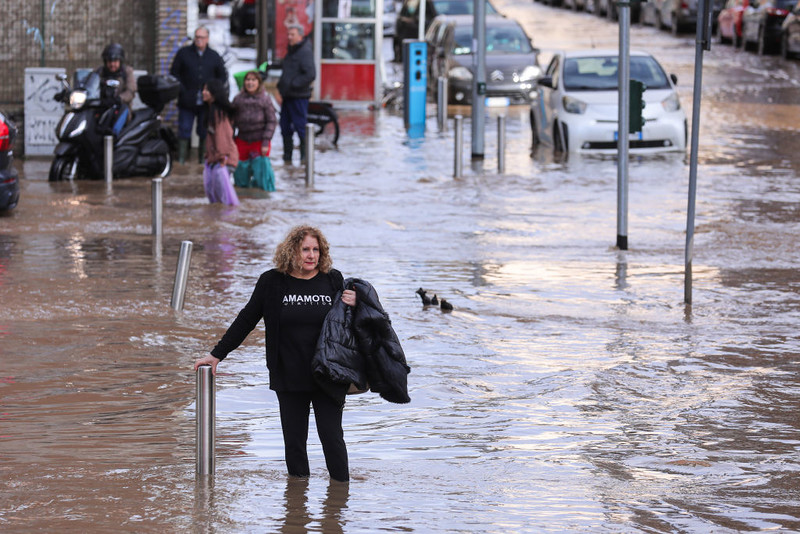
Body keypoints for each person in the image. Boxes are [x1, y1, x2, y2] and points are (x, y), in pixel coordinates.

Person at [193, 225, 358, 482]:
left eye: (316, 250)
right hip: (289, 374)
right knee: (294, 444)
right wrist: (217, 354)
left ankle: (339, 504)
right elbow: (247, 319)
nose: (311, 255)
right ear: (291, 250)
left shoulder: (333, 280)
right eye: (305, 249)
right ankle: (297, 506)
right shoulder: (272, 282)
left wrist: (356, 304)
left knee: (332, 438)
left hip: (327, 375)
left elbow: (352, 324)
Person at [170, 26, 228, 165]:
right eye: (197, 37)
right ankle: (182, 159)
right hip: (187, 100)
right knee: (184, 129)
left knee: (204, 130)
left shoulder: (214, 56)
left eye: (202, 37)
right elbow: (174, 74)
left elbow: (222, 76)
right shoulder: (183, 53)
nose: (199, 40)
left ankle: (203, 159)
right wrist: (182, 90)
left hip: (206, 103)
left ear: (207, 39)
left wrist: (213, 92)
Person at [231, 70, 277, 191]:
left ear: (259, 83)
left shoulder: (265, 99)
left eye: (253, 80)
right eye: (248, 80)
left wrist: (266, 142)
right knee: (240, 174)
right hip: (241, 140)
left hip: (260, 141)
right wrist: (230, 141)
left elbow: (272, 121)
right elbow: (231, 122)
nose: (250, 83)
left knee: (261, 174)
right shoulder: (238, 99)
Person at [277, 24, 315, 165]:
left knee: (300, 127)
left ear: (300, 36)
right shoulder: (292, 51)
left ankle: (305, 160)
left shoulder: (304, 51)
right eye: (288, 34)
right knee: (285, 127)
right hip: (287, 96)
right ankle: (288, 159)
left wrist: (293, 84)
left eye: (292, 35)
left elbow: (310, 74)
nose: (289, 37)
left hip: (298, 97)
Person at [202, 79, 239, 205]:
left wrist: (222, 157)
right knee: (217, 200)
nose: (203, 93)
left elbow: (223, 136)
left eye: (207, 90)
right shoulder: (211, 111)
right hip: (217, 159)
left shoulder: (218, 113)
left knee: (224, 201)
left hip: (224, 160)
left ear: (214, 93)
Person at [94, 43, 136, 136]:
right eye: (109, 61)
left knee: (123, 109)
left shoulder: (127, 72)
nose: (112, 64)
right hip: (102, 106)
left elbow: (131, 91)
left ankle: (114, 137)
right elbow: (89, 84)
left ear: (120, 61)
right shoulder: (99, 72)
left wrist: (119, 99)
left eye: (115, 61)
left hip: (119, 107)